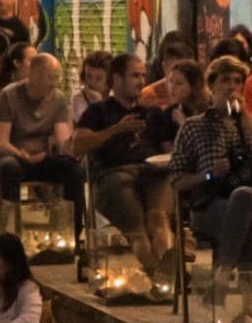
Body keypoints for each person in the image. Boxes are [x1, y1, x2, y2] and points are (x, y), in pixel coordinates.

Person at [169, 56, 252, 276]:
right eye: (226, 80)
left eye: (238, 81)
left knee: (244, 195)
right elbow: (177, 181)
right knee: (251, 222)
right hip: (210, 204)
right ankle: (247, 307)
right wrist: (207, 175)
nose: (232, 87)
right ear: (212, 85)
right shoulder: (194, 127)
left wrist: (244, 116)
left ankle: (222, 273)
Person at [74, 52, 178, 280]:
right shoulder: (98, 112)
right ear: (117, 79)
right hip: (114, 175)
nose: (141, 81)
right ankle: (160, 277)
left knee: (159, 219)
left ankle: (165, 277)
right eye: (135, 76)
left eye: (143, 75)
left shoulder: (152, 113)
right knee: (137, 230)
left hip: (152, 173)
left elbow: (167, 149)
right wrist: (116, 130)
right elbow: (78, 145)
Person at [0, 52, 82, 217]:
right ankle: (12, 223)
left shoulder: (58, 99)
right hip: (15, 155)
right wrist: (22, 155)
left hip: (43, 156)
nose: (54, 83)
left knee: (72, 169)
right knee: (8, 167)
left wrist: (67, 147)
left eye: (56, 78)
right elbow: (1, 143)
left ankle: (72, 228)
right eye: (50, 77)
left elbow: (62, 140)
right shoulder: (9, 95)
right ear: (33, 75)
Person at [138, 34, 198, 109]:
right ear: (164, 67)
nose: (181, 74)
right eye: (175, 68)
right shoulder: (148, 95)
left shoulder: (202, 94)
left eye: (187, 69)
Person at [161, 59, 206, 130]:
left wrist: (184, 124)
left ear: (194, 87)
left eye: (179, 83)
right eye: (170, 81)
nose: (172, 87)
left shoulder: (208, 113)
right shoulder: (170, 113)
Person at [69, 51, 112, 124]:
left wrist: (99, 104)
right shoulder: (78, 99)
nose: (92, 83)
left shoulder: (117, 99)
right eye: (88, 76)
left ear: (109, 81)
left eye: (98, 78)